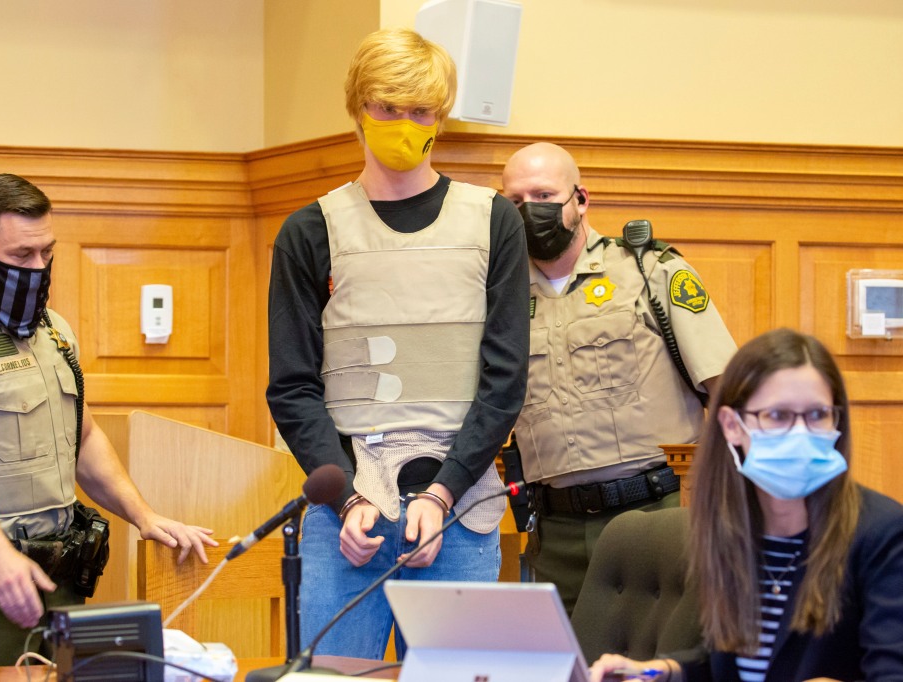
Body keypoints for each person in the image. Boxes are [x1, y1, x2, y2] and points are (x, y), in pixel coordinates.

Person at [266, 27, 529, 660]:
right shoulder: (309, 231)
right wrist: (349, 497)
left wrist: (442, 493)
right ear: (358, 110)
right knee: (333, 676)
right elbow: (293, 386)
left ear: (440, 117)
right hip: (347, 513)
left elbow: (505, 382)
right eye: (388, 109)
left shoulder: (494, 222)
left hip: (461, 508)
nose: (405, 124)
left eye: (421, 111)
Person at [0, 174, 218, 668]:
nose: (39, 268)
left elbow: (83, 438)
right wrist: (0, 559)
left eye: (48, 253)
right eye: (23, 256)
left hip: (63, 577)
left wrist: (143, 515)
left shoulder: (56, 333)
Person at [500, 142, 737, 614]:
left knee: (661, 662)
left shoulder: (649, 270)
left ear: (581, 199)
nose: (531, 211)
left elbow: (730, 392)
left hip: (655, 514)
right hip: (555, 532)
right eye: (516, 202)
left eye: (545, 196)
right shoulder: (500, 298)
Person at [590, 328, 903, 682]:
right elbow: (732, 662)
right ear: (732, 426)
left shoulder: (883, 533)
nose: (799, 433)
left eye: (817, 415)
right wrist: (662, 671)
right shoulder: (732, 527)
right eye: (778, 416)